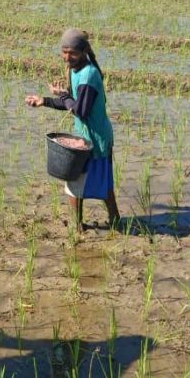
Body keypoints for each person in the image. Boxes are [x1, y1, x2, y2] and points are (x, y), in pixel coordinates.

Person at [25, 29, 120, 232]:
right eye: (64, 52)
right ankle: (114, 220)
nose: (68, 57)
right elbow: (73, 103)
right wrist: (45, 101)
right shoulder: (76, 70)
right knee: (96, 182)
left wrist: (65, 95)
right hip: (86, 136)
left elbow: (81, 111)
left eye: (73, 53)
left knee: (79, 183)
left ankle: (81, 227)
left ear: (84, 51)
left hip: (95, 138)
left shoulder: (89, 75)